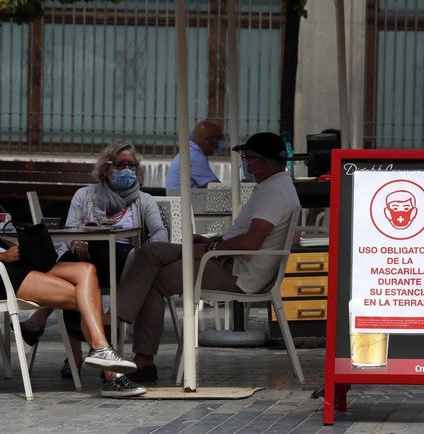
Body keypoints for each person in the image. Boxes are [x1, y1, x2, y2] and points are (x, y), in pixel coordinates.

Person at [0, 146, 143, 398]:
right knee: (84, 296)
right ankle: (110, 371)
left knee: (87, 271)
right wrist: (1, 255)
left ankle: (101, 352)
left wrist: (23, 250)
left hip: (6, 266)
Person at [114, 132, 300, 382]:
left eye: (248, 158)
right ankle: (119, 329)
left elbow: (252, 241)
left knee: (153, 277)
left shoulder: (274, 191)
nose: (245, 163)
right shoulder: (272, 187)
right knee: (150, 252)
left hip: (237, 272)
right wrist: (212, 242)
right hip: (226, 258)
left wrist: (210, 249)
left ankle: (133, 348)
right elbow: (247, 236)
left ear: (262, 161)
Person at [21, 142, 168, 386]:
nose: (127, 170)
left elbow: (159, 231)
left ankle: (45, 325)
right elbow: (70, 232)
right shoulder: (84, 195)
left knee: (82, 266)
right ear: (106, 168)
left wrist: (149, 252)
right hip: (85, 260)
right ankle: (86, 351)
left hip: (124, 263)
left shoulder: (143, 200)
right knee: (72, 270)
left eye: (132, 165)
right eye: (120, 164)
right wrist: (76, 242)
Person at [165, 119, 225, 192]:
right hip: (186, 202)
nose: (221, 143)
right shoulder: (194, 156)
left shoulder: (190, 152)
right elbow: (218, 189)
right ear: (209, 141)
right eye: (219, 138)